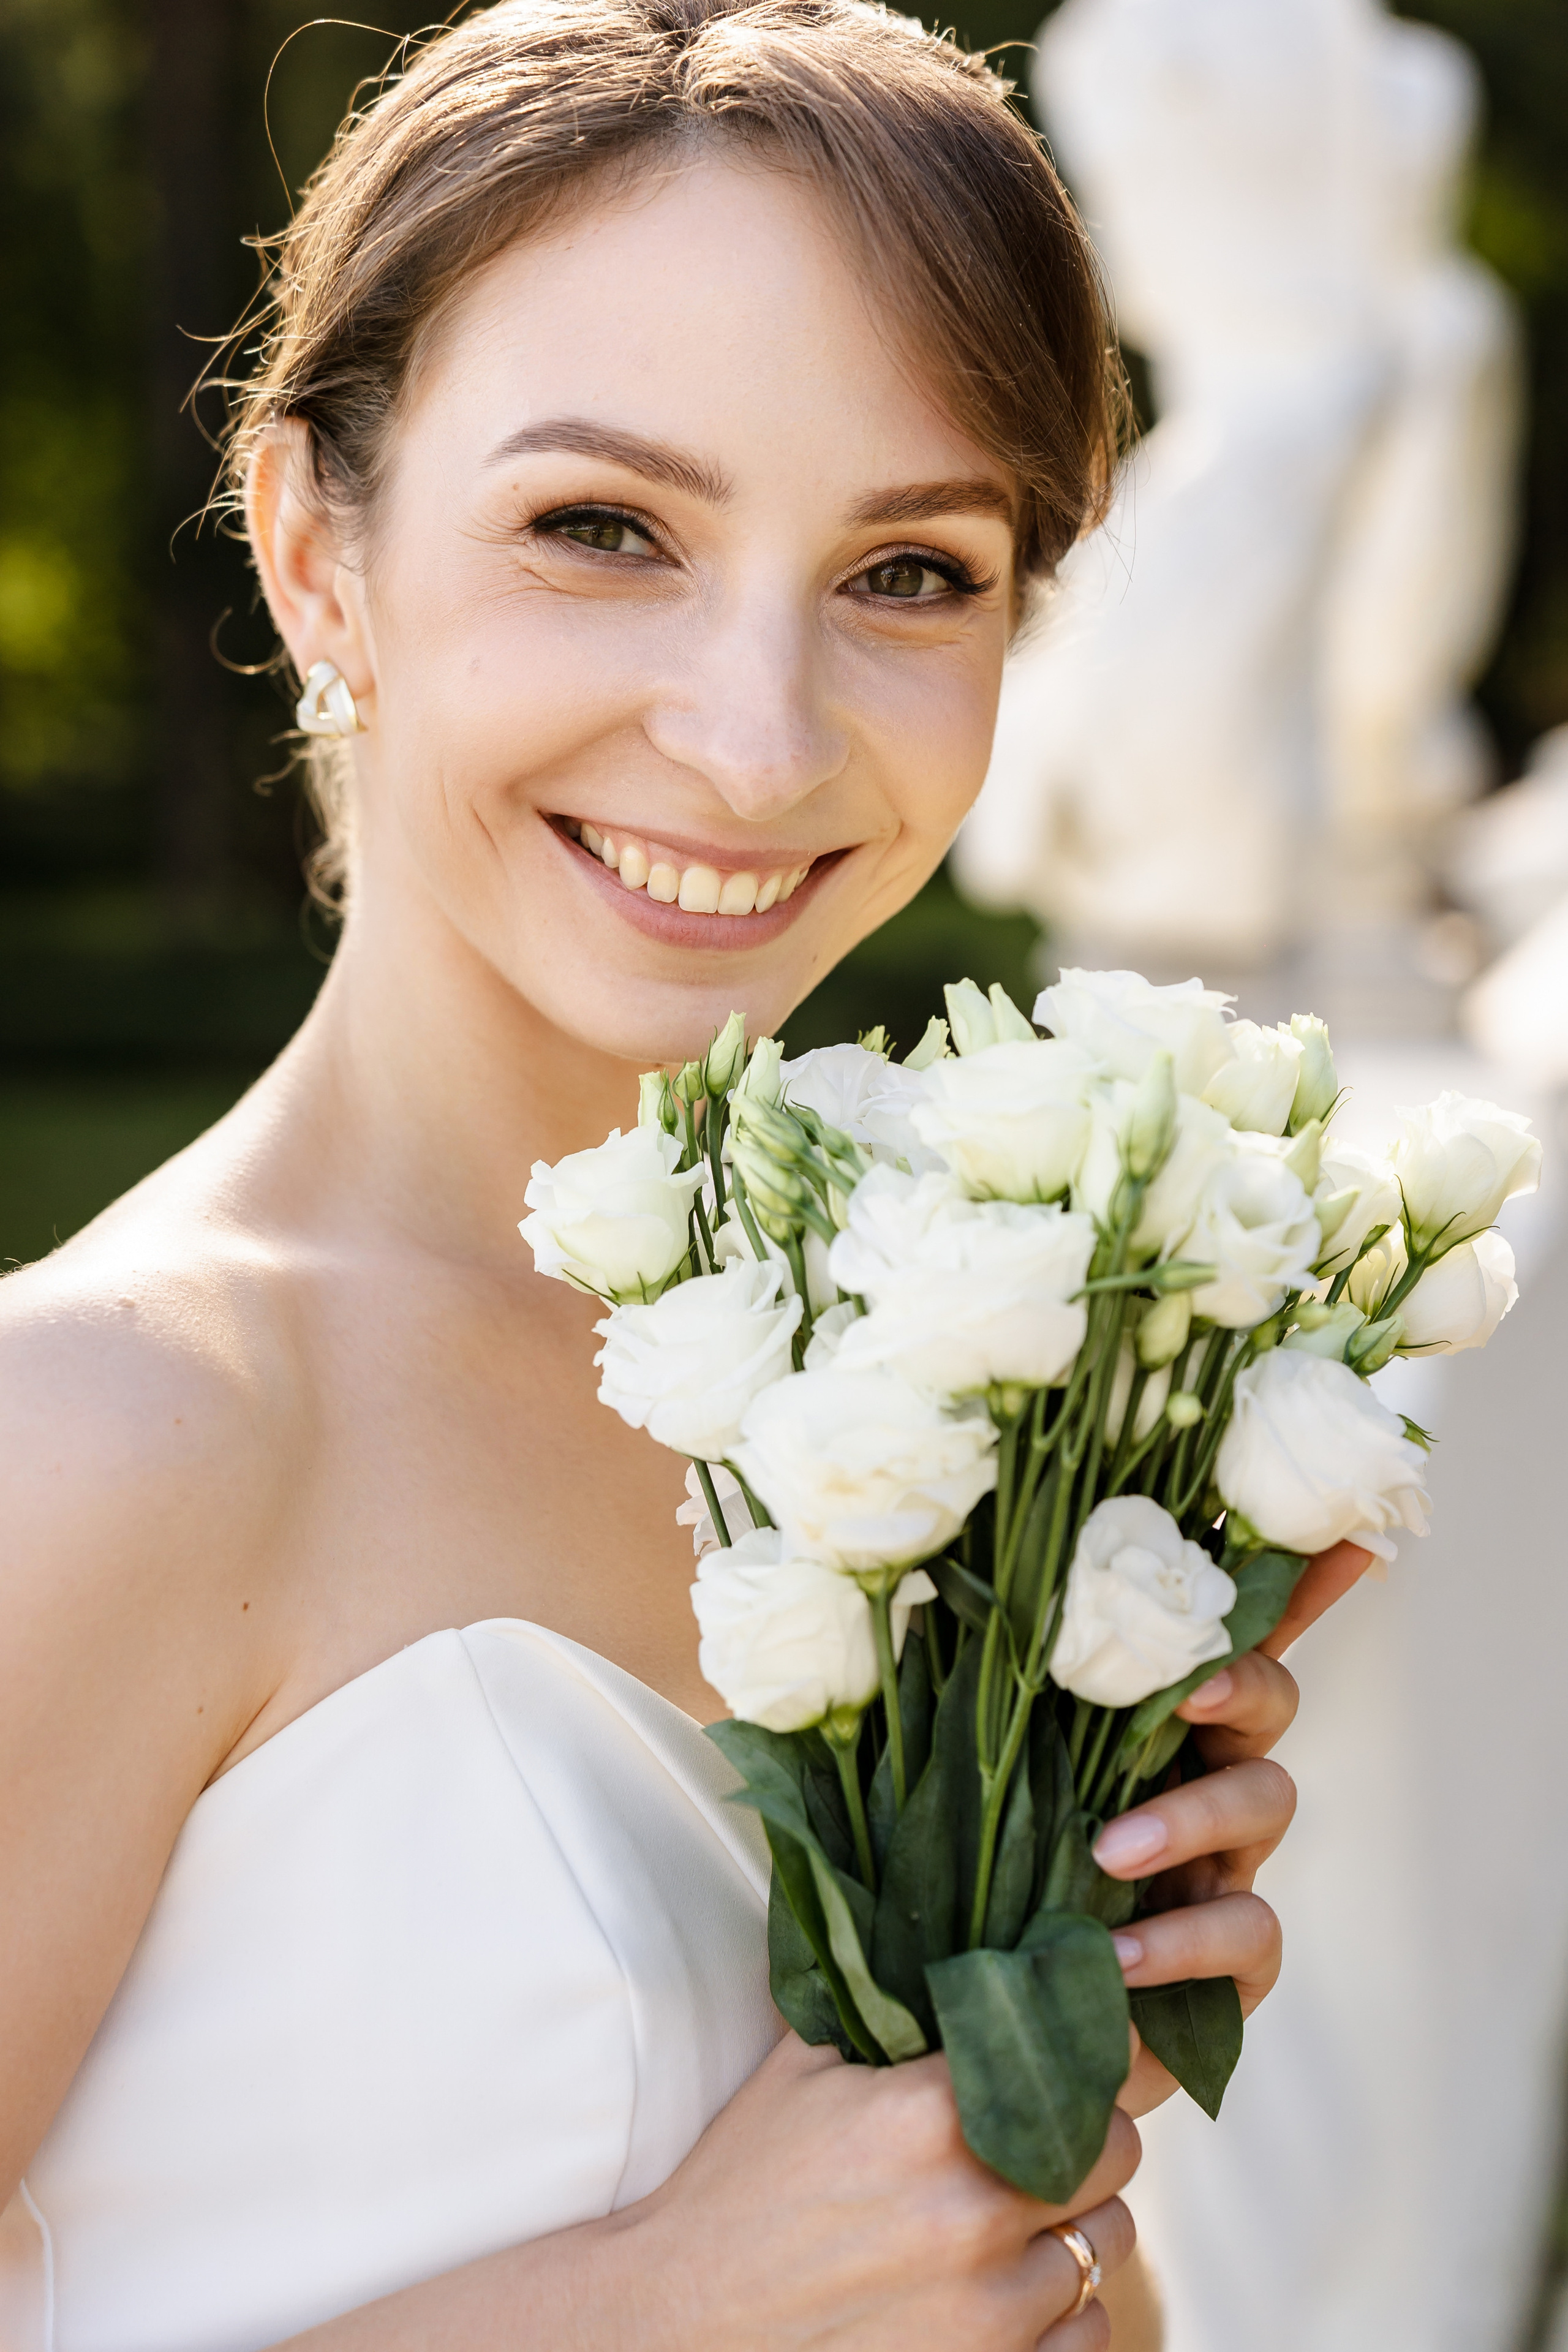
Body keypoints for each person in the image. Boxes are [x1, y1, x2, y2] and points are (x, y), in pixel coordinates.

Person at [0, 4, 1361, 2344]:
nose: (755, 737)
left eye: (913, 571)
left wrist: (1045, 2067)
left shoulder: (977, 1417)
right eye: (602, 529)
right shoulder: (107, 1437)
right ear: (315, 550)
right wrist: (671, 2298)